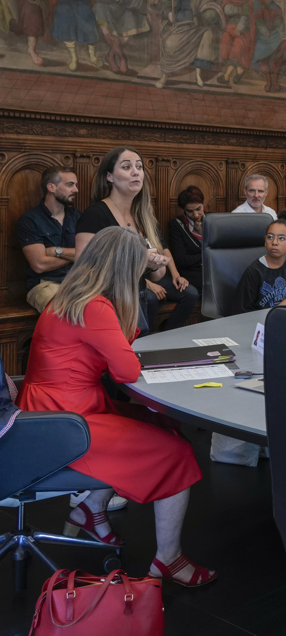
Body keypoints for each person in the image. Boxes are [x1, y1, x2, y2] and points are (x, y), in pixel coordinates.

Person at [18, 227, 216, 587]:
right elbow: (125, 370)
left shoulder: (74, 296)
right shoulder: (95, 307)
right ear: (125, 267)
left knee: (160, 424)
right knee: (176, 452)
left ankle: (91, 510)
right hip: (65, 422)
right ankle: (168, 560)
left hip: (53, 409)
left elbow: (114, 348)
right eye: (139, 266)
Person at [76, 147, 197, 334]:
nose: (135, 171)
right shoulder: (95, 214)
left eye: (139, 167)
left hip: (136, 298)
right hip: (108, 303)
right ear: (109, 177)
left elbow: (156, 276)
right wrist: (137, 258)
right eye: (126, 167)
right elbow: (83, 270)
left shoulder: (144, 217)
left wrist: (155, 264)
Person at [18, 167, 80, 315]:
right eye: (70, 184)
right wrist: (76, 256)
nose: (76, 189)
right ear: (51, 187)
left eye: (76, 185)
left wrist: (56, 251)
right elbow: (39, 264)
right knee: (66, 312)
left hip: (78, 282)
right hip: (45, 284)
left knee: (106, 307)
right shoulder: (30, 220)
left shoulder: (79, 216)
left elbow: (93, 253)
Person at [168, 186, 205, 288]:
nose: (196, 215)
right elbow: (181, 260)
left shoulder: (213, 220)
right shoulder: (176, 225)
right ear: (183, 209)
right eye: (190, 211)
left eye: (199, 209)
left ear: (203, 204)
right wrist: (207, 256)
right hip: (192, 274)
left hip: (214, 270)